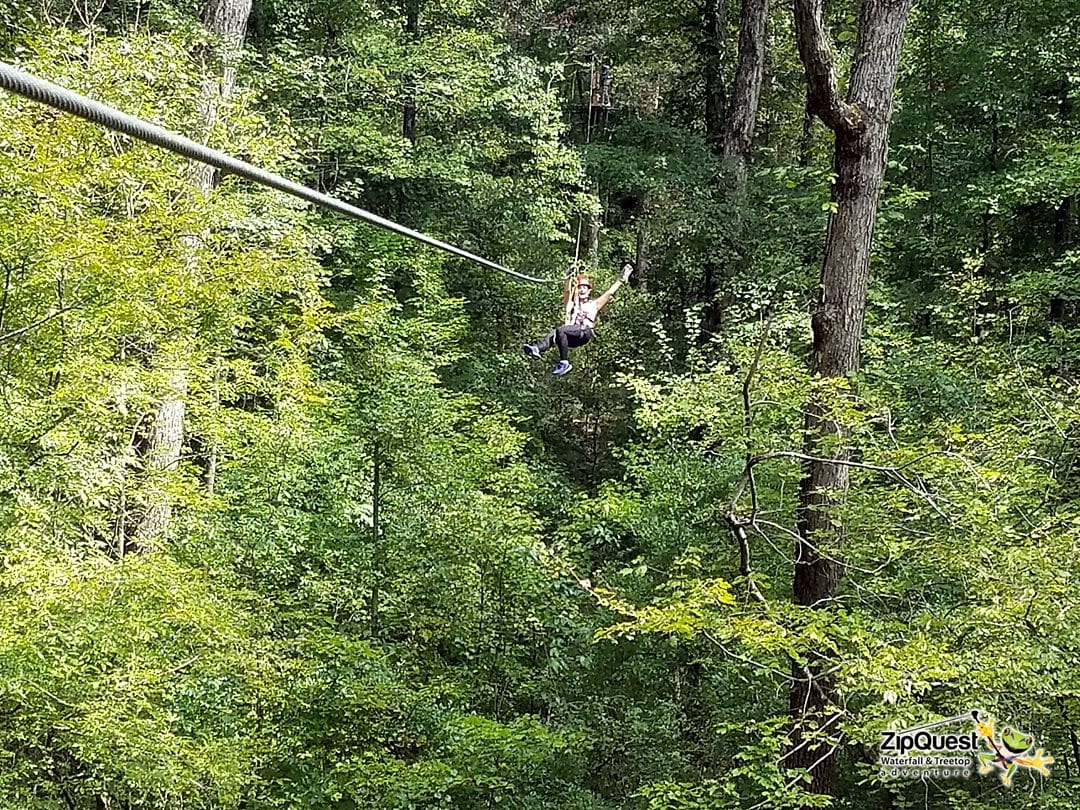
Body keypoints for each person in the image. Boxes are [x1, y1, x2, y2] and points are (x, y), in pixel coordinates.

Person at [523, 261, 634, 376]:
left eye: (584, 288)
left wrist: (621, 280)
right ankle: (537, 348)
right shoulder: (571, 304)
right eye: (580, 288)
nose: (582, 290)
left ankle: (564, 362)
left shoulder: (594, 304)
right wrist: (569, 277)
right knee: (554, 334)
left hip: (584, 332)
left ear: (589, 290)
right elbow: (567, 291)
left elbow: (609, 292)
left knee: (560, 330)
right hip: (571, 338)